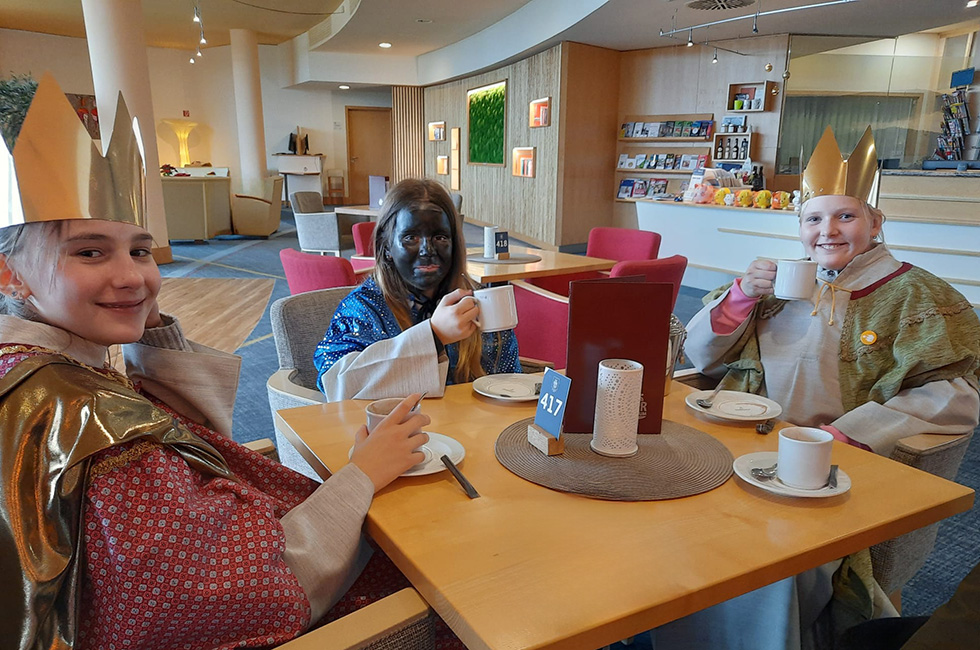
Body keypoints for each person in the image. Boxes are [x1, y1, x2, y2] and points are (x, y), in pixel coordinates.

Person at [0, 74, 446, 649]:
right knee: (449, 579)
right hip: (299, 601)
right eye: (90, 252)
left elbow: (191, 439)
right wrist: (360, 477)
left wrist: (143, 319)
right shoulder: (89, 426)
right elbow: (238, 594)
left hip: (247, 538)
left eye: (140, 250)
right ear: (10, 273)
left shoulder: (43, 367)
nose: (132, 275)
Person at [651, 127, 980, 650]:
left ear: (875, 223)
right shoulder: (780, 283)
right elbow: (699, 355)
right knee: (669, 514)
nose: (828, 230)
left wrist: (848, 436)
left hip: (834, 463)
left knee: (767, 562)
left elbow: (955, 395)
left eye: (846, 216)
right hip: (741, 439)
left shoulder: (917, 294)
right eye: (814, 218)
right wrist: (739, 296)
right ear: (800, 228)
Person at [314, 178, 521, 401]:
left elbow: (509, 383)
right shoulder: (363, 308)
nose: (427, 250)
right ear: (387, 247)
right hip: (398, 432)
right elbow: (336, 385)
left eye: (440, 237)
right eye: (411, 238)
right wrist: (433, 336)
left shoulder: (478, 302)